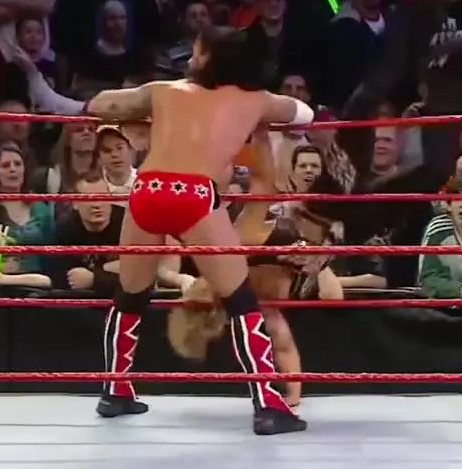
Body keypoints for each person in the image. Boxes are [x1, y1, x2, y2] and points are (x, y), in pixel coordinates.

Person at [86, 26, 313, 435]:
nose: (190, 56)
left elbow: (101, 104)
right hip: (193, 194)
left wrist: (143, 108)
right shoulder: (256, 100)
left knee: (130, 296)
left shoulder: (163, 91)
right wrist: (261, 117)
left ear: (209, 57)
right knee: (241, 301)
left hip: (147, 188)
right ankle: (268, 404)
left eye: (196, 49)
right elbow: (304, 114)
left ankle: (115, 390)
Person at [167, 132, 336, 408]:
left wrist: (262, 135)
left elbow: (265, 185)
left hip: (301, 240)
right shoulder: (254, 293)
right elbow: (283, 341)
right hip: (308, 250)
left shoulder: (235, 247)